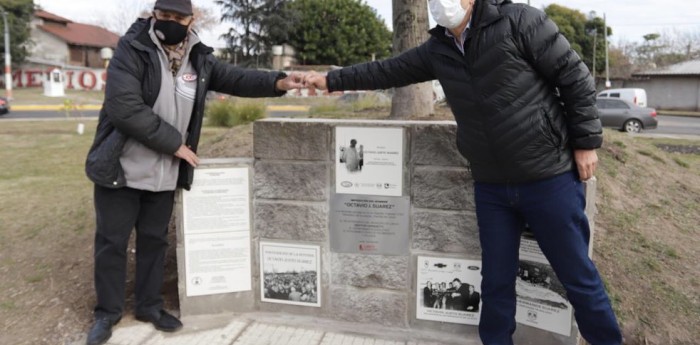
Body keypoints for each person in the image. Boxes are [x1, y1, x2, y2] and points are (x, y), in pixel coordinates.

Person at [304, 0, 622, 343]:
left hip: (548, 178)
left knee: (577, 276)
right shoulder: (438, 49)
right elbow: (386, 71)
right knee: (495, 281)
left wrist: (586, 143)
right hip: (492, 187)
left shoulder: (519, 21)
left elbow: (574, 76)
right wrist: (329, 80)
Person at [83, 0, 304, 344]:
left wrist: (279, 82)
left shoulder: (198, 57)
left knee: (155, 242)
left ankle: (149, 307)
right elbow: (124, 107)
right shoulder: (132, 48)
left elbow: (235, 78)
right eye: (164, 16)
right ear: (154, 15)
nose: (170, 23)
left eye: (178, 17)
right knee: (111, 244)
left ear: (192, 19)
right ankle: (107, 314)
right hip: (122, 168)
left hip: (164, 173)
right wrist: (175, 143)